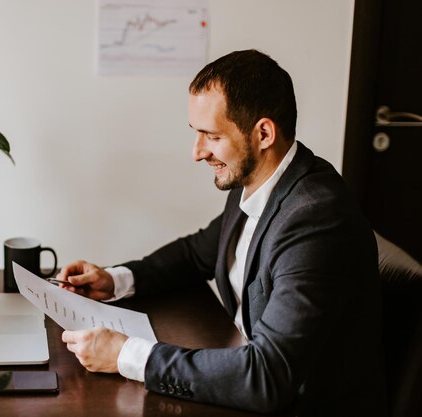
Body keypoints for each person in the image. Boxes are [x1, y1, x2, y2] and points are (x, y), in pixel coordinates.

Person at [58, 50, 387, 416]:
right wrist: (115, 279)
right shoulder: (257, 182)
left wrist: (127, 355)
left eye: (211, 136)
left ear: (263, 133)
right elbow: (197, 252)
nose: (197, 152)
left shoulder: (316, 220)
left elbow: (267, 377)